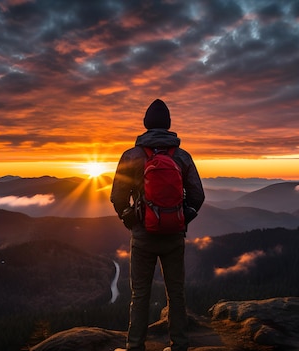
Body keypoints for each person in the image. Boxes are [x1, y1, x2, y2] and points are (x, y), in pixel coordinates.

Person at [111, 99, 205, 351]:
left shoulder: (131, 156)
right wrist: (182, 218)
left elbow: (117, 197)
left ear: (145, 125)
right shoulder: (182, 157)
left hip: (142, 237)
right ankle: (179, 345)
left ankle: (135, 346)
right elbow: (198, 195)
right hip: (174, 236)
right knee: (176, 293)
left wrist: (129, 219)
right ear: (169, 125)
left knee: (139, 294)